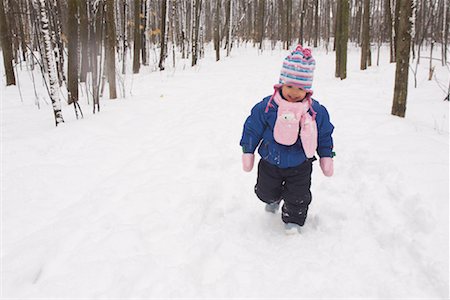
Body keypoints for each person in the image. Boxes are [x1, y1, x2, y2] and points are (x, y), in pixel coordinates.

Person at [239, 45, 335, 234]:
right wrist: (248, 150)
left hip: (301, 164)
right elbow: (252, 127)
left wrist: (326, 156)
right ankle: (273, 200)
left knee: (298, 196)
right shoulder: (267, 107)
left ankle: (293, 220)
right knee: (265, 192)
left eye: (300, 88)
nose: (293, 92)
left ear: (307, 90)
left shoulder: (315, 112)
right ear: (281, 83)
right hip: (270, 161)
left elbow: (324, 135)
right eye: (290, 86)